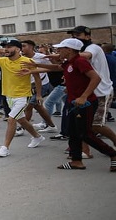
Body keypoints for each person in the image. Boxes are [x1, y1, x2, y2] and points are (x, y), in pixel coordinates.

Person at [23, 38, 116, 171]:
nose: (58, 51)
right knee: (73, 132)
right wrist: (34, 68)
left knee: (86, 134)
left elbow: (96, 78)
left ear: (69, 50)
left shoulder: (80, 61)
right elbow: (57, 67)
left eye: (61, 49)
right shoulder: (70, 62)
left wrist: (84, 96)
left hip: (85, 103)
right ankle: (76, 161)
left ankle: (113, 154)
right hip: (73, 102)